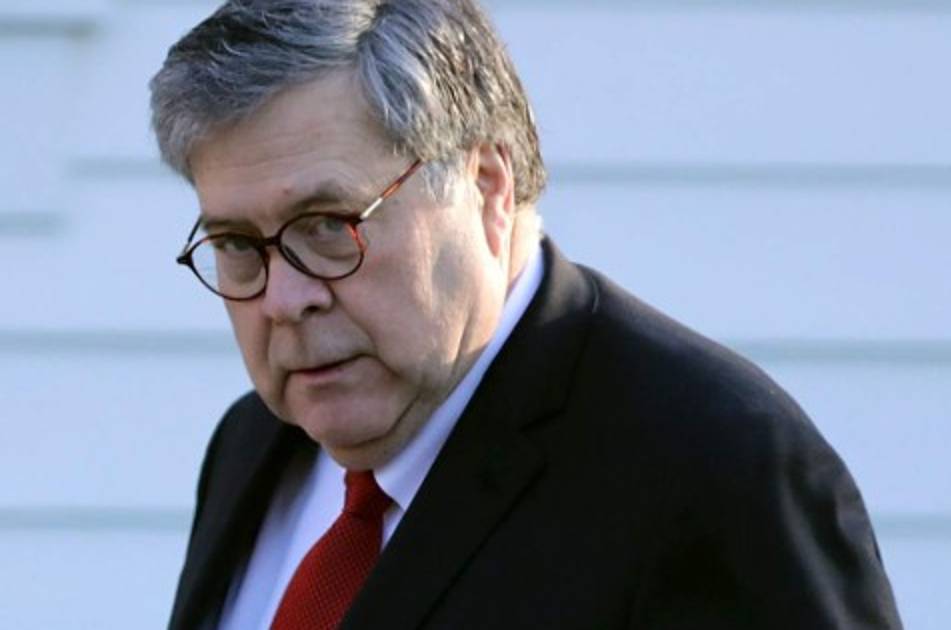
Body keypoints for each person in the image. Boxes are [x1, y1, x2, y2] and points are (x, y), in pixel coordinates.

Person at [151, 1, 902, 628]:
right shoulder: (257, 443)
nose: (284, 300)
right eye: (237, 243)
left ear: (486, 186)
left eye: (328, 225)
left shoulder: (717, 467)